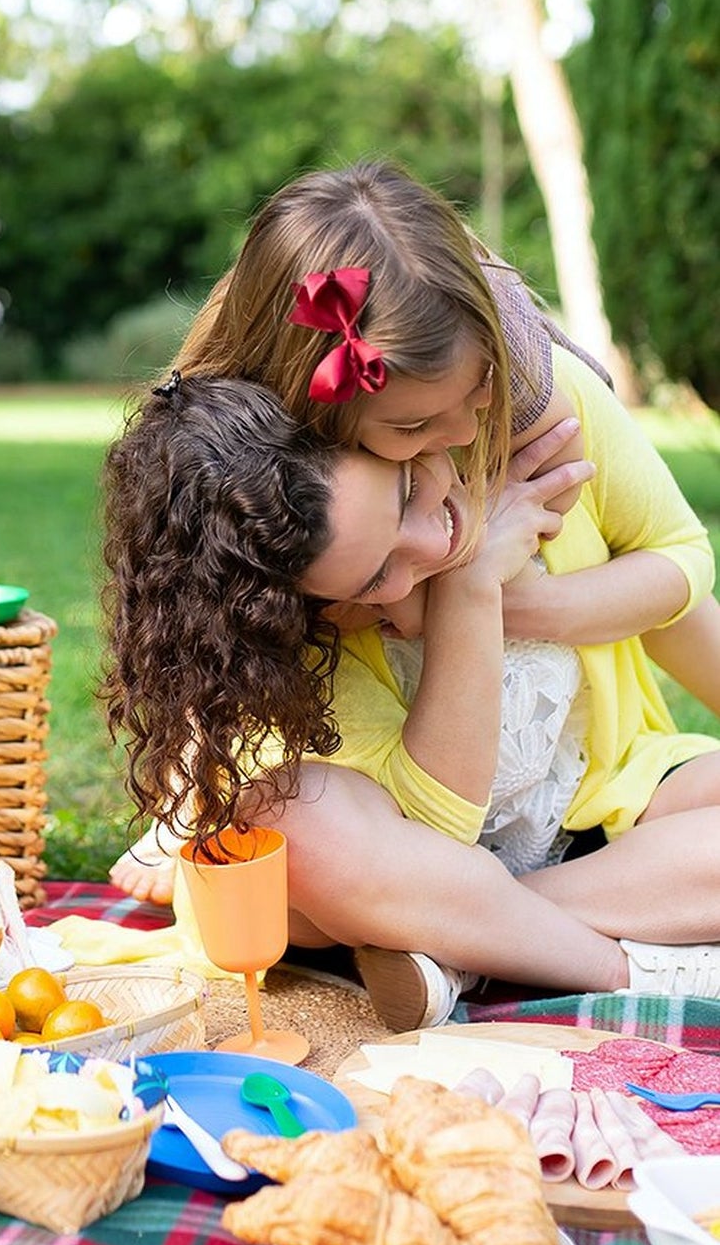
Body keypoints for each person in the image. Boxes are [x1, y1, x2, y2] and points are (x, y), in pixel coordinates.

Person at [108, 159, 720, 906]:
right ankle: (507, 917)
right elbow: (211, 647)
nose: (462, 430)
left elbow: (681, 563)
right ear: (317, 413)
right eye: (410, 428)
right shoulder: (284, 515)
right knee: (295, 856)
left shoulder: (541, 409)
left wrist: (509, 600)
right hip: (399, 821)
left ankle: (498, 924)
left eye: (478, 389)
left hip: (599, 787)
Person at [85, 368, 720, 1030]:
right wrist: (467, 588)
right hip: (397, 872)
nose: (432, 542)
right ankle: (623, 966)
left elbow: (678, 575)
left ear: (388, 433)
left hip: (601, 818)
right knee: (294, 822)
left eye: (408, 490)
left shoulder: (534, 431)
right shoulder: (299, 616)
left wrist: (522, 600)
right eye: (373, 575)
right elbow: (438, 832)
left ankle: (459, 952)